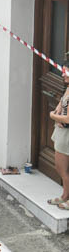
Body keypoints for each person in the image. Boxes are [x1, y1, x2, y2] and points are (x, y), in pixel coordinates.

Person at [48, 69, 69, 209]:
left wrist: (52, 115)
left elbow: (68, 119)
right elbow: (62, 103)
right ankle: (65, 196)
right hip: (62, 132)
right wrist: (57, 110)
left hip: (66, 134)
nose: (62, 74)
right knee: (62, 168)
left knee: (62, 168)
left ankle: (67, 198)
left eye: (66, 72)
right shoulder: (68, 88)